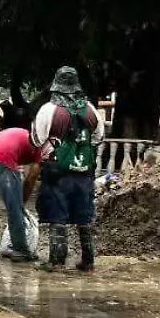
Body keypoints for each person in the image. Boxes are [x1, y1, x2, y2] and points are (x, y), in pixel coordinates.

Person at [33, 66, 105, 273]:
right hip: (84, 172)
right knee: (84, 215)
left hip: (57, 172)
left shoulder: (48, 110)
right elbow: (98, 138)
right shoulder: (90, 109)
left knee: (57, 214)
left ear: (56, 86)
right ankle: (88, 262)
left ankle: (56, 261)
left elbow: (37, 139)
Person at [0, 126, 44, 261]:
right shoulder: (40, 150)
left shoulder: (22, 135)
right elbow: (30, 179)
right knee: (14, 210)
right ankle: (20, 250)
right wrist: (21, 204)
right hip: (2, 159)